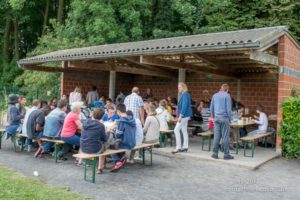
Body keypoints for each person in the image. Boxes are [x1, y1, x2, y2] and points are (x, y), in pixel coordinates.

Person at [80, 108, 109, 174]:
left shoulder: (85, 122)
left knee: (97, 143)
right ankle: (100, 168)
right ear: (102, 117)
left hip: (83, 148)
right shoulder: (101, 125)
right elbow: (104, 139)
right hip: (95, 149)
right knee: (104, 147)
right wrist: (108, 132)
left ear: (92, 114)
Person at [210, 84, 234, 160]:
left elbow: (211, 107)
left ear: (221, 88)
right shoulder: (227, 96)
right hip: (224, 118)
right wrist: (230, 119)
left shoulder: (214, 95)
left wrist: (213, 117)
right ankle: (226, 154)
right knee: (225, 137)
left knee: (216, 136)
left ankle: (215, 153)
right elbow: (228, 109)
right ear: (227, 90)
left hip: (216, 118)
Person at [110, 104, 136, 172]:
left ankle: (117, 161)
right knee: (116, 142)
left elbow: (118, 135)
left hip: (125, 143)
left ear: (118, 111)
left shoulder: (121, 121)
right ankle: (122, 156)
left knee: (110, 146)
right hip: (132, 142)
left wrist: (114, 129)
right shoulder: (132, 119)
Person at [172, 83, 192, 154]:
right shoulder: (185, 94)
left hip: (184, 116)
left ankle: (178, 147)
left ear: (183, 87)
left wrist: (180, 116)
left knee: (176, 129)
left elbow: (184, 106)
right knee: (184, 130)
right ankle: (185, 146)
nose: (178, 88)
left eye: (179, 87)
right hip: (186, 115)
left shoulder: (185, 95)